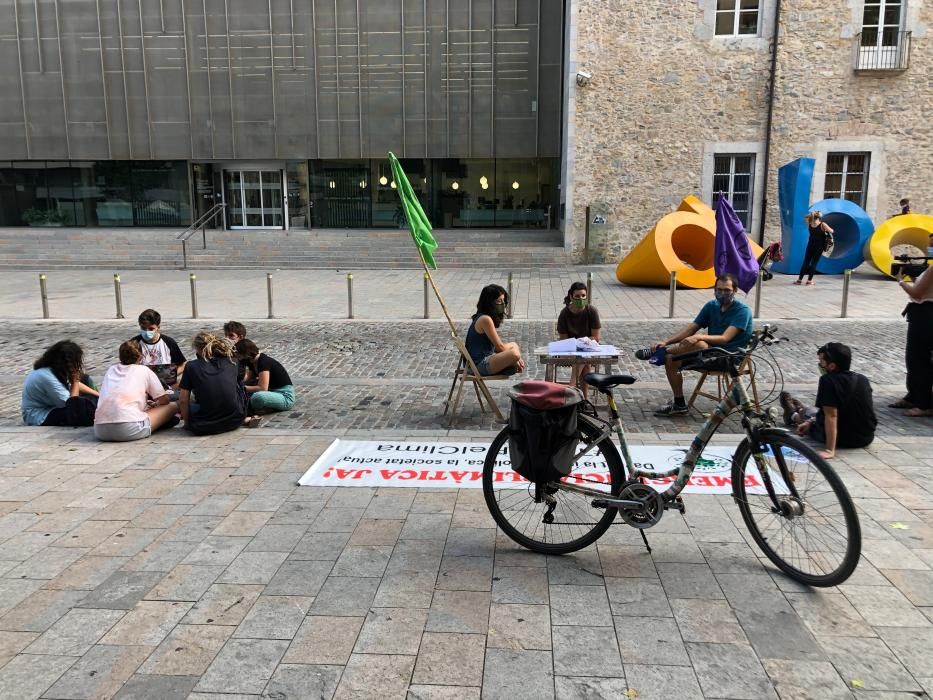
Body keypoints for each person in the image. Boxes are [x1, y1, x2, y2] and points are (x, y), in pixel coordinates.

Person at [642, 273, 753, 416]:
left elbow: (725, 338)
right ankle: (679, 404)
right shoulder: (711, 306)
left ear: (735, 291)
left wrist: (698, 337)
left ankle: (662, 353)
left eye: (727, 290)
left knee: (700, 344)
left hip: (729, 358)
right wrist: (666, 341)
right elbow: (691, 328)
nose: (722, 293)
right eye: (719, 290)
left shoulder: (742, 311)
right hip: (709, 354)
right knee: (671, 359)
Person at [779, 342, 877, 459]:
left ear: (831, 366)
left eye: (821, 361)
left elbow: (831, 416)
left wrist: (830, 450)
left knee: (810, 412)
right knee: (814, 413)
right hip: (866, 437)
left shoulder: (827, 380)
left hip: (843, 438)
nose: (820, 364)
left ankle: (793, 414)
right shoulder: (862, 379)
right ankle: (801, 411)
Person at [94, 340, 179, 441]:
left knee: (144, 408)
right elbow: (163, 400)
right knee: (173, 406)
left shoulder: (111, 370)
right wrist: (157, 404)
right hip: (129, 428)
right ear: (140, 356)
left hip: (100, 430)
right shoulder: (144, 370)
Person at [179, 332, 258, 435]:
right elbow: (242, 380)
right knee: (237, 384)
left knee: (184, 404)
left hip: (204, 425)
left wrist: (187, 423)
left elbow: (183, 400)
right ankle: (244, 418)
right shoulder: (232, 361)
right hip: (236, 419)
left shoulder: (191, 366)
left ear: (198, 349)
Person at [892, 233, 933, 416]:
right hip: (922, 313)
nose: (929, 248)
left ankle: (923, 403)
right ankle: (913, 396)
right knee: (914, 358)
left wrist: (901, 281)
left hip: (925, 314)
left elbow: (917, 293)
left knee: (919, 358)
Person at [21, 340, 99, 426]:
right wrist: (75, 381)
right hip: (37, 415)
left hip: (52, 407)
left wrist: (100, 396)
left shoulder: (54, 371)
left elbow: (74, 386)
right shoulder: (46, 377)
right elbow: (72, 405)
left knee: (86, 380)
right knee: (81, 411)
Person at [465, 284, 525, 376]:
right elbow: (499, 347)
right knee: (515, 353)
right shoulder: (485, 319)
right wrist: (516, 358)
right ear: (490, 303)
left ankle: (508, 366)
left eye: (503, 301)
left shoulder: (483, 316)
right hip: (478, 365)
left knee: (514, 345)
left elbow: (499, 347)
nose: (502, 304)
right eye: (499, 301)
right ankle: (509, 366)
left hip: (485, 359)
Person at [556, 281, 602, 399]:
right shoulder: (564, 314)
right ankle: (584, 398)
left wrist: (581, 342)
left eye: (583, 296)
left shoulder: (591, 311)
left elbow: (596, 337)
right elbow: (564, 340)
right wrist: (578, 344)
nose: (581, 298)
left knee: (583, 353)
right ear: (571, 296)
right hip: (570, 349)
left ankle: (574, 387)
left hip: (588, 348)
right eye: (577, 296)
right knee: (583, 358)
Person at [234, 339, 295, 414]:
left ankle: (263, 408)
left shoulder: (263, 362)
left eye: (240, 356)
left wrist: (241, 388)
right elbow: (248, 379)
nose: (239, 359)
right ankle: (265, 408)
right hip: (271, 392)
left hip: (285, 396)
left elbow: (262, 388)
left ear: (247, 354)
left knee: (257, 397)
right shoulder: (252, 363)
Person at [134, 309, 187, 389]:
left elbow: (182, 364)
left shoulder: (169, 342)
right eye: (143, 328)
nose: (147, 331)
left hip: (166, 385)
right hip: (142, 386)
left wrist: (171, 375)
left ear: (158, 327)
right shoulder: (134, 343)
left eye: (151, 329)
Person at [795, 211, 834, 286]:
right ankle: (809, 281)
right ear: (819, 218)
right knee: (814, 263)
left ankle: (799, 280)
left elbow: (806, 217)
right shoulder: (823, 224)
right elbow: (832, 231)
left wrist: (812, 215)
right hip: (819, 247)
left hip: (810, 246)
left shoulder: (810, 224)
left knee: (806, 262)